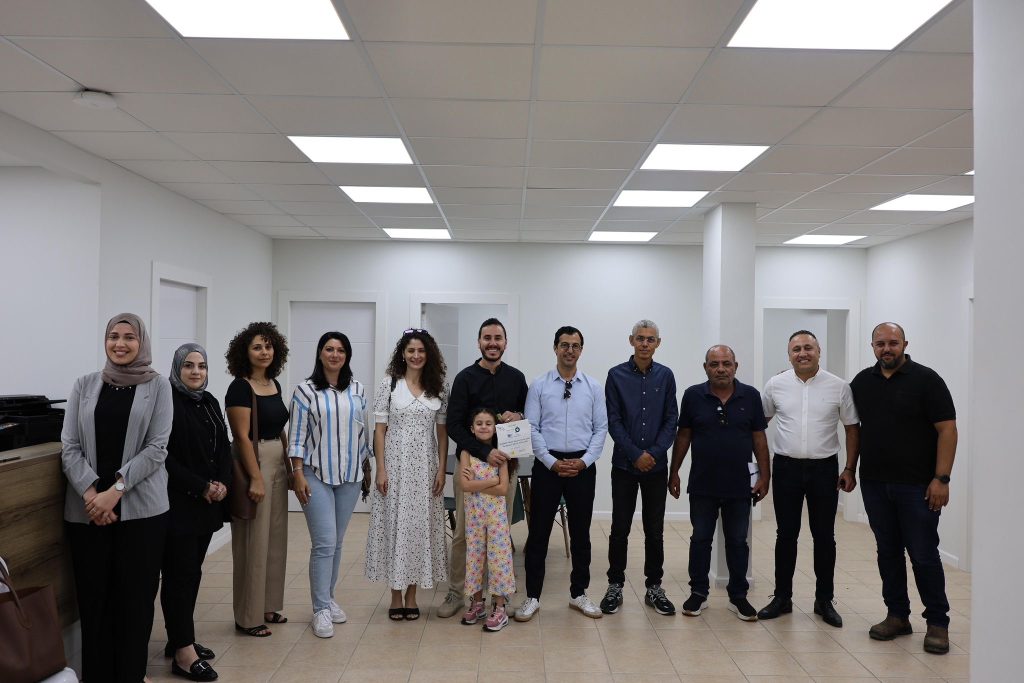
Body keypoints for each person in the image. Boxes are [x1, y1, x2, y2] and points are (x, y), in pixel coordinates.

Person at [61, 313, 172, 683]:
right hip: (87, 513)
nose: (120, 344)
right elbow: (69, 446)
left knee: (135, 604)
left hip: (142, 515)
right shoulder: (84, 385)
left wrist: (115, 492)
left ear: (142, 342)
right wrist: (92, 494)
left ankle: (131, 675)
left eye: (129, 337)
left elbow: (157, 448)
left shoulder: (158, 386)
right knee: (94, 604)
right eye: (113, 336)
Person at [849, 322, 957, 655]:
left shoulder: (927, 380)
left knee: (923, 554)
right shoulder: (861, 383)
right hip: (875, 484)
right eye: (880, 343)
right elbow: (854, 429)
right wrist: (850, 469)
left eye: (893, 343)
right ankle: (897, 615)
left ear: (905, 344)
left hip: (918, 487)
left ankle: (937, 622)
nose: (887, 349)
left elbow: (947, 430)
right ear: (872, 346)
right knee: (888, 552)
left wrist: (942, 478)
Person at [756, 330, 860, 628]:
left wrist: (850, 468)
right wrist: (759, 470)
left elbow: (852, 428)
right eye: (796, 349)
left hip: (824, 470)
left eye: (808, 348)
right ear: (789, 355)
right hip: (786, 468)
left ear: (818, 351)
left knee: (824, 536)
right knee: (785, 535)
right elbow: (759, 425)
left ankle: (824, 600)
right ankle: (782, 597)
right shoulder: (775, 385)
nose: (802, 353)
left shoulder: (839, 386)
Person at [670, 345, 770, 621]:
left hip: (740, 485)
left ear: (736, 366)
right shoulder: (693, 395)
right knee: (700, 539)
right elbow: (683, 435)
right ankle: (698, 593)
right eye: (714, 364)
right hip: (703, 483)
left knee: (738, 541)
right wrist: (674, 471)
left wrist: (765, 476)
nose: (721, 369)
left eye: (726, 363)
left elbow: (759, 438)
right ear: (706, 368)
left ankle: (738, 596)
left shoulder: (751, 396)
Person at [437, 318, 528, 619]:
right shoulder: (464, 378)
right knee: (464, 533)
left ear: (505, 342)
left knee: (500, 534)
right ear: (479, 342)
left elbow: (528, 416)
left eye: (498, 338)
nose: (492, 343)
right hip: (471, 467)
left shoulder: (516, 378)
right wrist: (484, 452)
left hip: (505, 468)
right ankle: (457, 592)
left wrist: (519, 416)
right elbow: (454, 425)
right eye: (487, 338)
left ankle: (500, 594)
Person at [516, 325, 608, 622]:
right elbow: (532, 427)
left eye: (575, 345)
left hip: (582, 467)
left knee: (581, 534)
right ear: (555, 348)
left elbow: (601, 429)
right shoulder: (539, 386)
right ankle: (532, 597)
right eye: (564, 345)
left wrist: (584, 461)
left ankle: (579, 593)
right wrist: (551, 461)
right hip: (548, 468)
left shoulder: (593, 387)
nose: (570, 350)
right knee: (538, 533)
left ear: (581, 350)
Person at [287, 332, 371, 639]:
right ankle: (320, 609)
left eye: (340, 350)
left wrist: (367, 466)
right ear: (320, 353)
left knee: (336, 542)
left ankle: (329, 597)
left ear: (347, 355)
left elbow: (362, 432)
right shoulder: (305, 391)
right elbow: (296, 436)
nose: (335, 354)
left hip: (350, 476)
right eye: (329, 349)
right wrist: (297, 473)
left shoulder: (358, 389)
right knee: (324, 543)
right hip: (314, 474)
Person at [365, 328, 450, 620]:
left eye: (421, 351)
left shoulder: (439, 387)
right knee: (394, 527)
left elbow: (442, 433)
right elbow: (379, 430)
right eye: (411, 350)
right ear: (403, 353)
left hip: (426, 468)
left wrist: (441, 469)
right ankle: (395, 595)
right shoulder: (389, 384)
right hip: (395, 466)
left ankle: (412, 595)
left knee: (419, 529)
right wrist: (381, 468)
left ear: (429, 354)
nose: (416, 355)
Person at [160, 343, 231, 681]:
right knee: (179, 575)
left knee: (192, 573)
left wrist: (223, 483)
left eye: (201, 366)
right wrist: (201, 485)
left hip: (207, 504)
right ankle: (183, 654)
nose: (195, 371)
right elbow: (163, 456)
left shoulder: (209, 401)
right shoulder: (166, 402)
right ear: (177, 368)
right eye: (188, 365)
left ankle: (180, 639)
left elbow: (224, 446)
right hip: (179, 503)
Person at [600, 319, 678, 616]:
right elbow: (613, 420)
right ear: (631, 340)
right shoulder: (615, 375)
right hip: (624, 466)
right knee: (619, 528)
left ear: (658, 343)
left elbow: (671, 419)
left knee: (654, 530)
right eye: (640, 338)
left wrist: (653, 454)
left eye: (650, 339)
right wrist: (635, 454)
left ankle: (654, 587)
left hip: (655, 468)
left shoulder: (666, 376)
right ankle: (615, 585)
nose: (645, 343)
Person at [224, 322, 290, 637]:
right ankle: (248, 616)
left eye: (268, 346)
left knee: (275, 538)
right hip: (256, 460)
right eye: (257, 347)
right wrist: (256, 478)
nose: (264, 352)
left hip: (278, 459)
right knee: (253, 541)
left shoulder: (273, 383)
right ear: (245, 352)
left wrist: (290, 469)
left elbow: (280, 427)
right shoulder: (240, 387)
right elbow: (241, 436)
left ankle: (268, 605)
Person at [458, 407, 517, 632]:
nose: (483, 427)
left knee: (498, 559)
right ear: (472, 429)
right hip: (474, 517)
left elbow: (503, 489)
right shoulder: (466, 453)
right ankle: (477, 603)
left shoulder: (501, 454)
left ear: (495, 428)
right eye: (479, 423)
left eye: (488, 423)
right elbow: (465, 486)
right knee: (474, 557)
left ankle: (500, 608)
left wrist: (477, 484)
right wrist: (491, 481)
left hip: (496, 519)